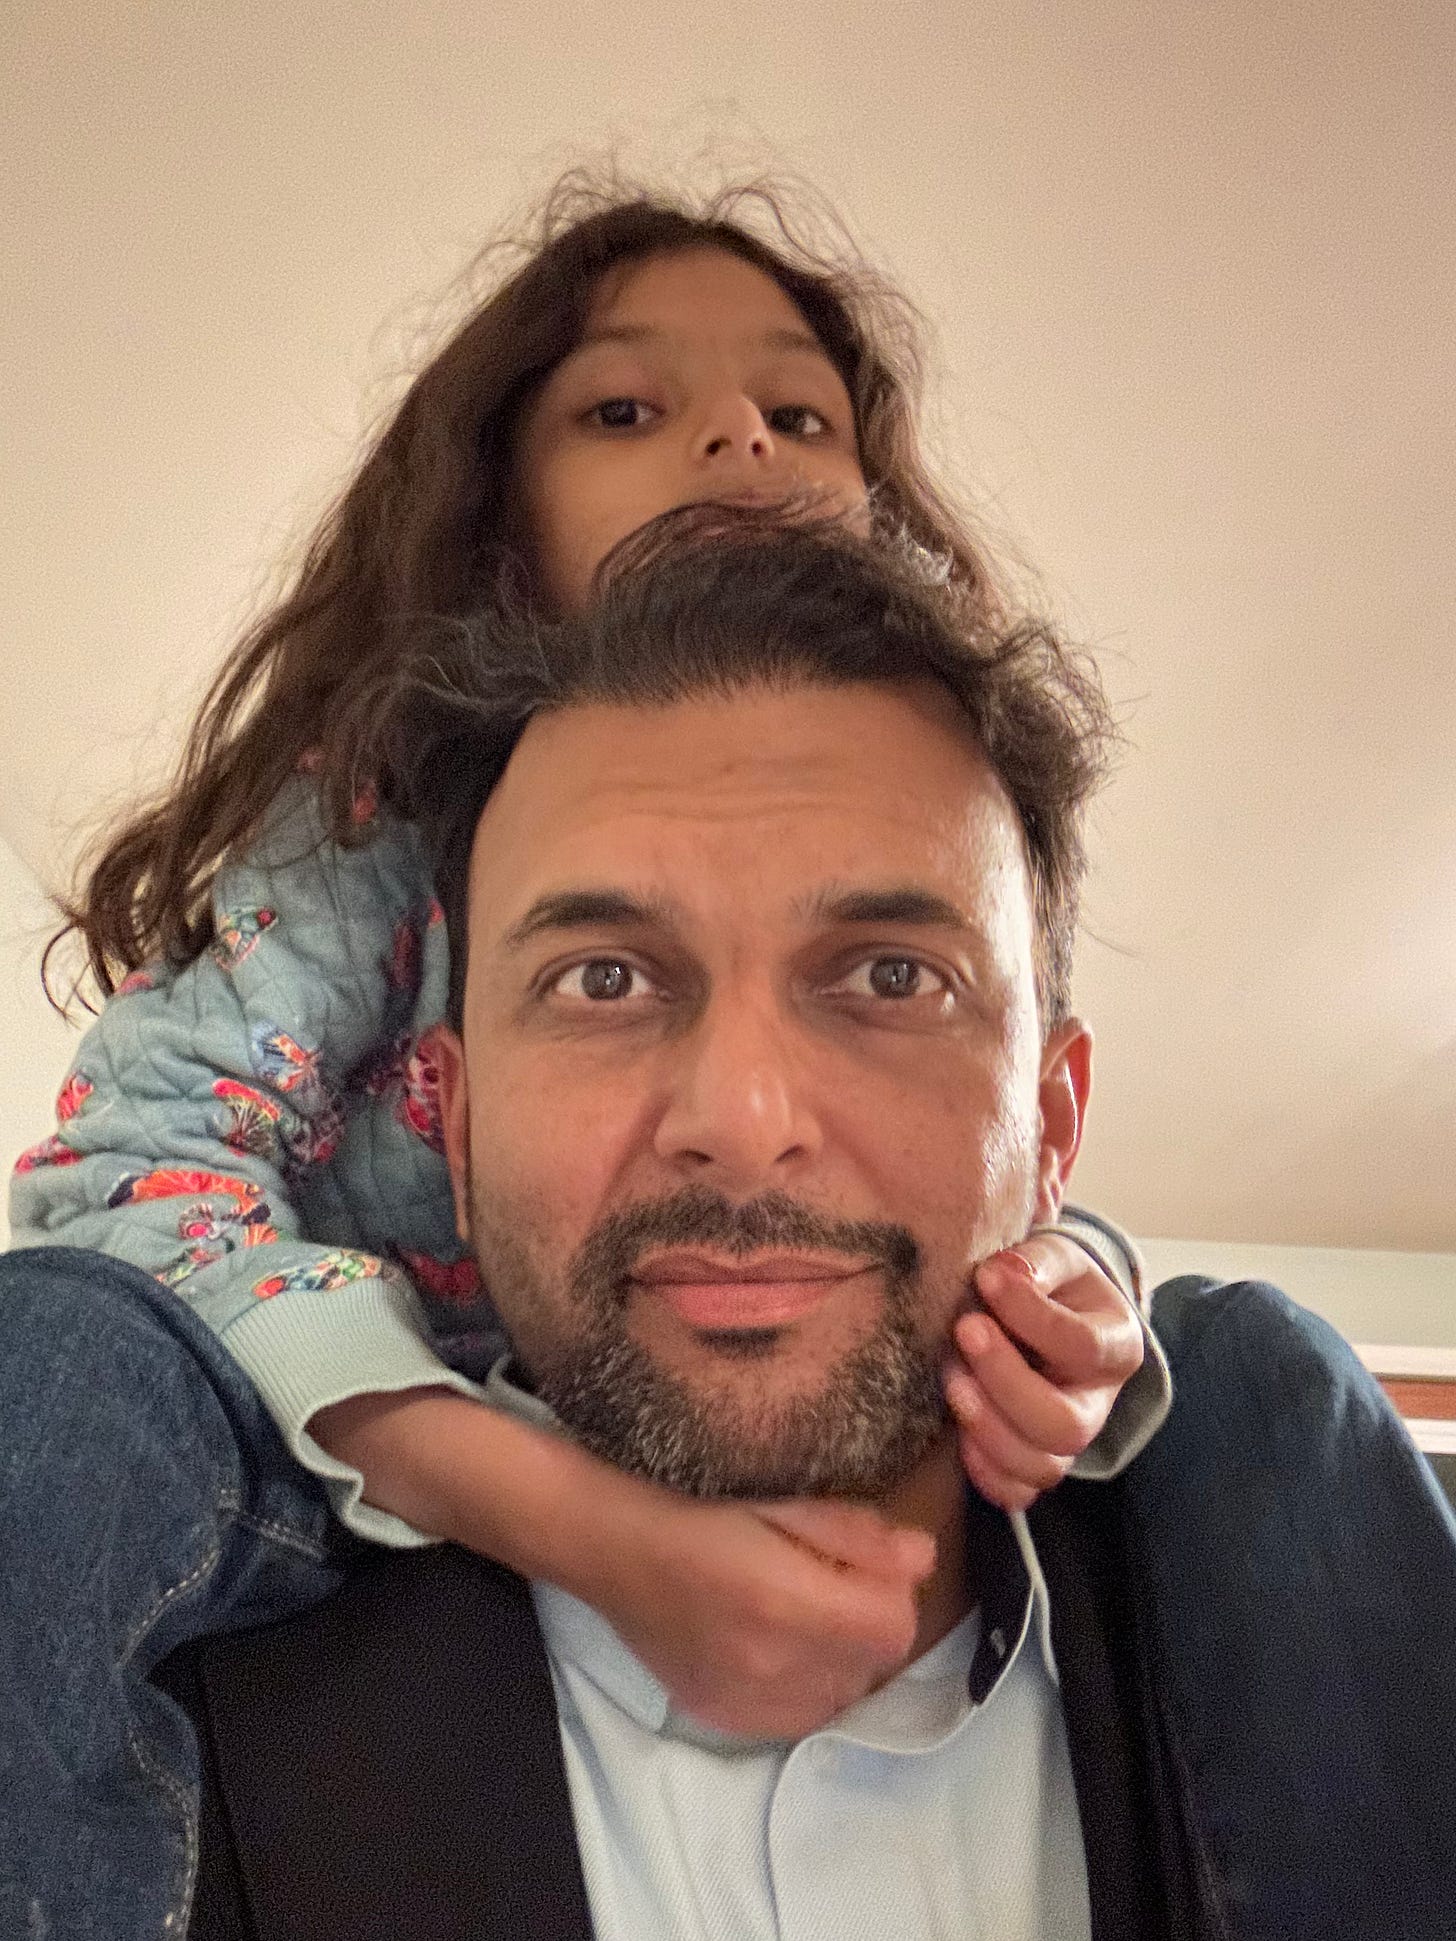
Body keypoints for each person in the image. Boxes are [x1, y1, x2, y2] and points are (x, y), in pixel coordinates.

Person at [0, 180, 1168, 1941]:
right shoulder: (362, 821)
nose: (737, 437)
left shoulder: (1240, 1554)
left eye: (798, 413)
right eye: (627, 408)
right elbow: (121, 1183)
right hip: (323, 1446)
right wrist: (576, 1518)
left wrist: (1072, 1303)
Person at [164, 511, 1456, 1941]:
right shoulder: (155, 1747)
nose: (743, 1115)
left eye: (891, 975)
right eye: (604, 979)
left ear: (1053, 1125)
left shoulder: (1325, 1626)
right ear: (454, 1130)